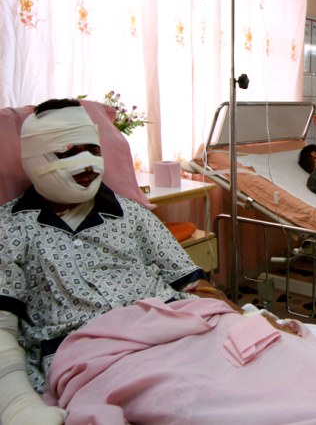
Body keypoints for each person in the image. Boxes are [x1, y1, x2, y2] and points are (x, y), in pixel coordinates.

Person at [0, 99, 239, 424]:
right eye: (67, 151)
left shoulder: (133, 214)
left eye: (92, 150)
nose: (86, 164)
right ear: (34, 156)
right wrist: (18, 405)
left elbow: (193, 284)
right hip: (90, 355)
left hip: (177, 330)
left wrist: (239, 319)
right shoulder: (10, 228)